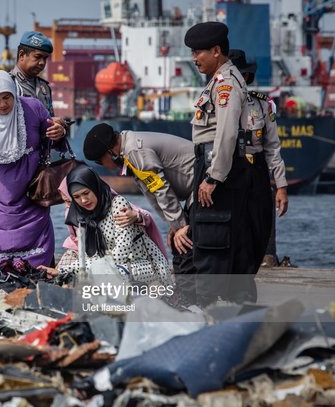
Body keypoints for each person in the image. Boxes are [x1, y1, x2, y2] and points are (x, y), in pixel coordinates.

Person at [0, 70, 66, 270]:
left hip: (32, 195)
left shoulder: (33, 108)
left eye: (7, 97)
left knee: (36, 257)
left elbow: (50, 137)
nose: (2, 104)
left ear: (14, 93)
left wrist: (58, 132)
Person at [184, 22, 254, 304]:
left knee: (211, 241)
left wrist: (213, 177)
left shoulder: (225, 85)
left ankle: (208, 309)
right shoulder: (219, 81)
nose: (194, 58)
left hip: (217, 170)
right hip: (216, 167)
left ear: (216, 51)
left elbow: (226, 134)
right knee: (220, 240)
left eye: (198, 51)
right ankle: (231, 305)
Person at [82, 123, 195, 274]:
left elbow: (161, 189)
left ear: (110, 152)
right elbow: (153, 194)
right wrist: (174, 226)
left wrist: (180, 227)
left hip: (204, 186)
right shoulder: (128, 152)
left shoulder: (135, 151)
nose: (102, 165)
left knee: (186, 243)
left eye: (99, 161)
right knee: (181, 244)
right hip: (193, 191)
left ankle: (199, 296)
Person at [38, 165, 171, 287]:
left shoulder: (118, 205)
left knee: (110, 275)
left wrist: (81, 270)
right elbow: (92, 256)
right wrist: (60, 271)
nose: (83, 200)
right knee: (68, 278)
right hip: (109, 265)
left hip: (143, 265)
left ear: (95, 187)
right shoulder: (82, 215)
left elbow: (120, 255)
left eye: (86, 193)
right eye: (77, 197)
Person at [228, 49, 289, 270]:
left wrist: (281, 186)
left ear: (245, 77)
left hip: (255, 170)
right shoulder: (215, 104)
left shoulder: (263, 105)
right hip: (225, 171)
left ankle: (265, 258)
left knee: (260, 220)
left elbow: (273, 147)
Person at [10, 31, 55, 116]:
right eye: (37, 57)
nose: (42, 63)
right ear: (21, 55)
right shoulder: (9, 83)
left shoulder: (44, 87)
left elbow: (50, 117)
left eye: (45, 58)